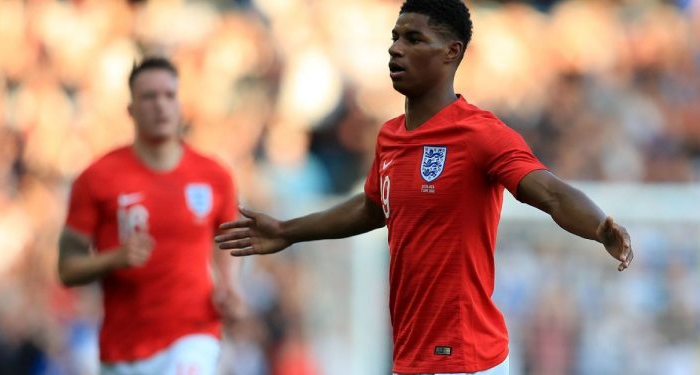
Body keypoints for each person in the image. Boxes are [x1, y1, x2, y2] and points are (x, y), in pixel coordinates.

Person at [214, 1, 634, 374]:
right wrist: (288, 231)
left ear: (451, 52)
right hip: (412, 356)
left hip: (465, 358)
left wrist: (599, 227)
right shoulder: (390, 136)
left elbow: (551, 192)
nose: (396, 48)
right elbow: (373, 209)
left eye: (414, 39)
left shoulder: (480, 133)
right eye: (395, 37)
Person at [58, 56, 244, 374]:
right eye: (149, 97)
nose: (161, 105)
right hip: (124, 347)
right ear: (130, 110)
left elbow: (227, 241)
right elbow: (67, 268)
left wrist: (229, 286)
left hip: (194, 333)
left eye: (169, 95)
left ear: (181, 104)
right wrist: (113, 259)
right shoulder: (97, 178)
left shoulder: (214, 176)